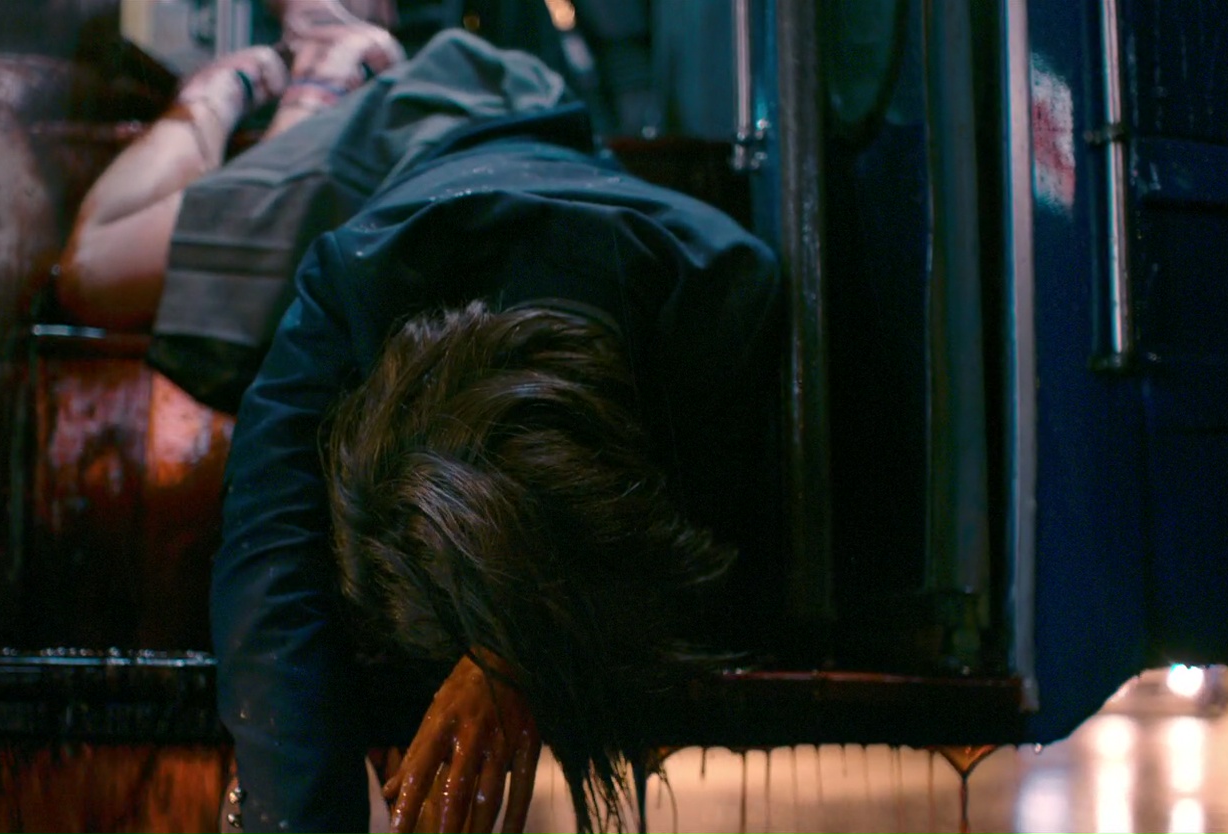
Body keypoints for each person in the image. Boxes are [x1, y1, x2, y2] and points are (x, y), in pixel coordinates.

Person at [57, 5, 784, 832]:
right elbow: (267, 553)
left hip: (510, 130)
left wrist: (514, 650)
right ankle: (265, 80)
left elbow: (687, 546)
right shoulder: (346, 286)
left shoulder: (724, 292)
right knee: (92, 270)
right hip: (405, 146)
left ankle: (334, 65)